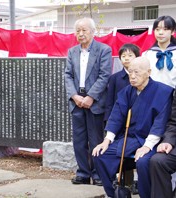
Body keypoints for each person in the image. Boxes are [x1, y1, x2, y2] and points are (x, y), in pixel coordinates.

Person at [92, 57, 174, 198]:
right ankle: (116, 193)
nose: (132, 76)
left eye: (137, 72)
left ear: (148, 72)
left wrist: (147, 146)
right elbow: (116, 117)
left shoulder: (164, 92)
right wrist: (107, 140)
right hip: (130, 139)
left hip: (153, 141)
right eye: (130, 72)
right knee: (100, 155)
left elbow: (161, 122)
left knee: (143, 162)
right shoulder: (127, 92)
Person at [64, 17, 112, 186]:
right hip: (77, 101)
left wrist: (91, 96)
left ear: (93, 32)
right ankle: (83, 173)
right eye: (78, 30)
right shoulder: (72, 52)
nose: (81, 34)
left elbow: (104, 75)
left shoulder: (104, 50)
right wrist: (74, 96)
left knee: (96, 139)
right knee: (79, 140)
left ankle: (98, 174)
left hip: (95, 102)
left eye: (84, 30)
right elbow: (68, 75)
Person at [104, 43, 140, 194]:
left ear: (137, 57)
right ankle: (120, 184)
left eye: (130, 55)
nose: (126, 59)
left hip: (136, 123)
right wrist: (108, 121)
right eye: (123, 56)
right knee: (119, 152)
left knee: (133, 153)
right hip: (118, 122)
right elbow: (110, 102)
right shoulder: (115, 78)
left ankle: (133, 182)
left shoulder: (142, 77)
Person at [142, 15, 176, 89]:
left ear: (173, 31)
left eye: (165, 29)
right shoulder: (146, 55)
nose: (160, 33)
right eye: (157, 29)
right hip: (152, 95)